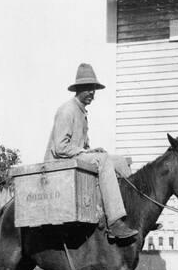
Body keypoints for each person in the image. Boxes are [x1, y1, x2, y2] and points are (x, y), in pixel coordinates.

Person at [44, 63, 138, 240]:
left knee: (120, 161)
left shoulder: (81, 113)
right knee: (103, 160)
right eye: (89, 89)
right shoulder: (67, 110)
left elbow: (80, 147)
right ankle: (115, 222)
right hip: (59, 166)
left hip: (73, 160)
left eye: (94, 90)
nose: (93, 94)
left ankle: (133, 212)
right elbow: (60, 147)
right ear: (79, 89)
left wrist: (91, 150)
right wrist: (88, 153)